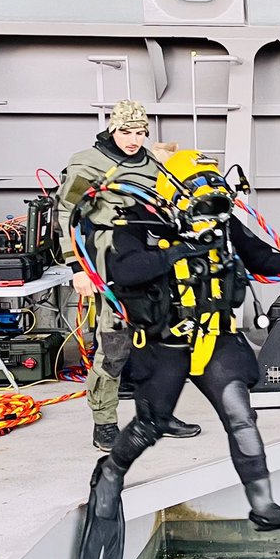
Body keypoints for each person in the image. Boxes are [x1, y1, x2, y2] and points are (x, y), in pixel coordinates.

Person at [76, 150, 280, 559]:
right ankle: (111, 472)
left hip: (215, 337)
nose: (209, 211)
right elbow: (124, 271)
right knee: (150, 424)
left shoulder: (222, 224)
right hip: (164, 341)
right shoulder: (137, 222)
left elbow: (262, 257)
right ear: (174, 195)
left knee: (240, 413)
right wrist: (180, 248)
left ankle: (264, 506)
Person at [58, 100, 200, 451]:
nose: (133, 139)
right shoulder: (88, 163)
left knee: (160, 343)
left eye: (139, 132)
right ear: (112, 129)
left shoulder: (152, 163)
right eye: (126, 131)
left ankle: (157, 416)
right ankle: (104, 423)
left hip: (152, 262)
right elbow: (67, 214)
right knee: (114, 345)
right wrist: (77, 268)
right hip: (112, 261)